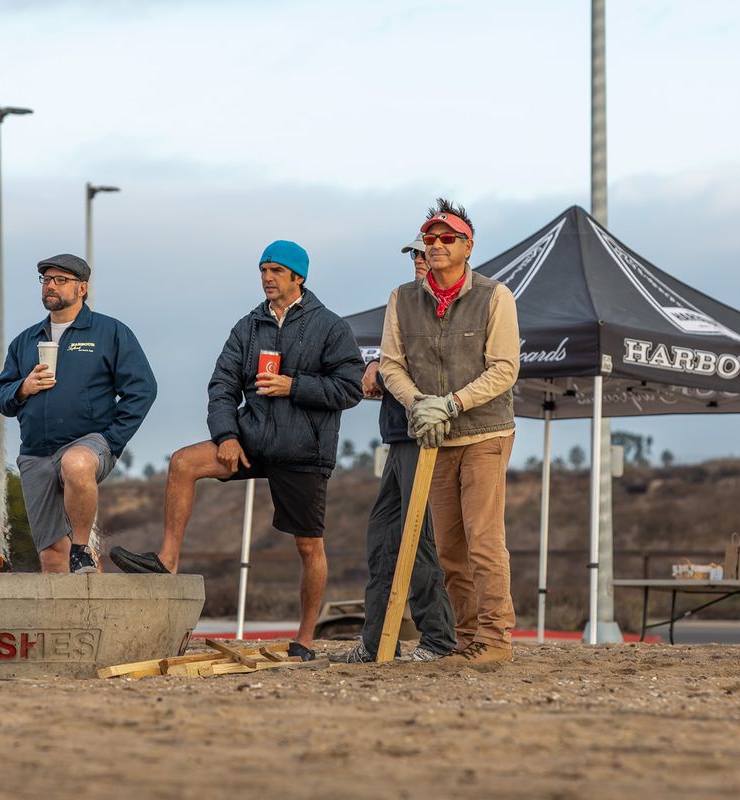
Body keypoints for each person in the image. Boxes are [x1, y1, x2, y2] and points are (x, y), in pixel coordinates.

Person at [110, 241, 364, 661]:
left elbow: (351, 387)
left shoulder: (330, 327)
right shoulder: (247, 327)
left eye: (277, 270)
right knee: (183, 462)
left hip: (303, 449)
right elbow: (222, 386)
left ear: (298, 277)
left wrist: (292, 385)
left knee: (308, 547)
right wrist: (226, 435)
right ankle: (167, 559)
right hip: (251, 438)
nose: (267, 277)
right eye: (263, 269)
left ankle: (305, 638)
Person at [379, 199, 520, 665]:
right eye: (430, 238)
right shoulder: (402, 299)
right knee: (450, 549)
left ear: (467, 245)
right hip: (434, 437)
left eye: (446, 238)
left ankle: (496, 638)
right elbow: (391, 365)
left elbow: (504, 368)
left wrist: (453, 403)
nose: (435, 245)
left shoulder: (495, 296)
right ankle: (465, 637)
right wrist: (418, 404)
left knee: (484, 539)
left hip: (484, 431)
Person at [331, 237, 456, 664]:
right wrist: (376, 367)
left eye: (427, 253)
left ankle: (438, 639)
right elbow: (394, 361)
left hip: (425, 436)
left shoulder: (442, 308)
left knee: (415, 541)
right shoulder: (404, 302)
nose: (421, 260)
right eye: (416, 254)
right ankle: (376, 640)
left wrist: (381, 372)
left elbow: (427, 367)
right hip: (399, 434)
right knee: (383, 539)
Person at [0, 254, 157, 574]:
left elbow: (143, 389)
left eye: (60, 280)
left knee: (76, 462)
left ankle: (82, 548)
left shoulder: (109, 332)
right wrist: (23, 388)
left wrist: (112, 439)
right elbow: (3, 397)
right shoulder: (25, 341)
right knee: (53, 554)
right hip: (36, 452)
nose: (50, 286)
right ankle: (71, 622)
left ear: (82, 288)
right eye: (46, 280)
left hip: (90, 442)